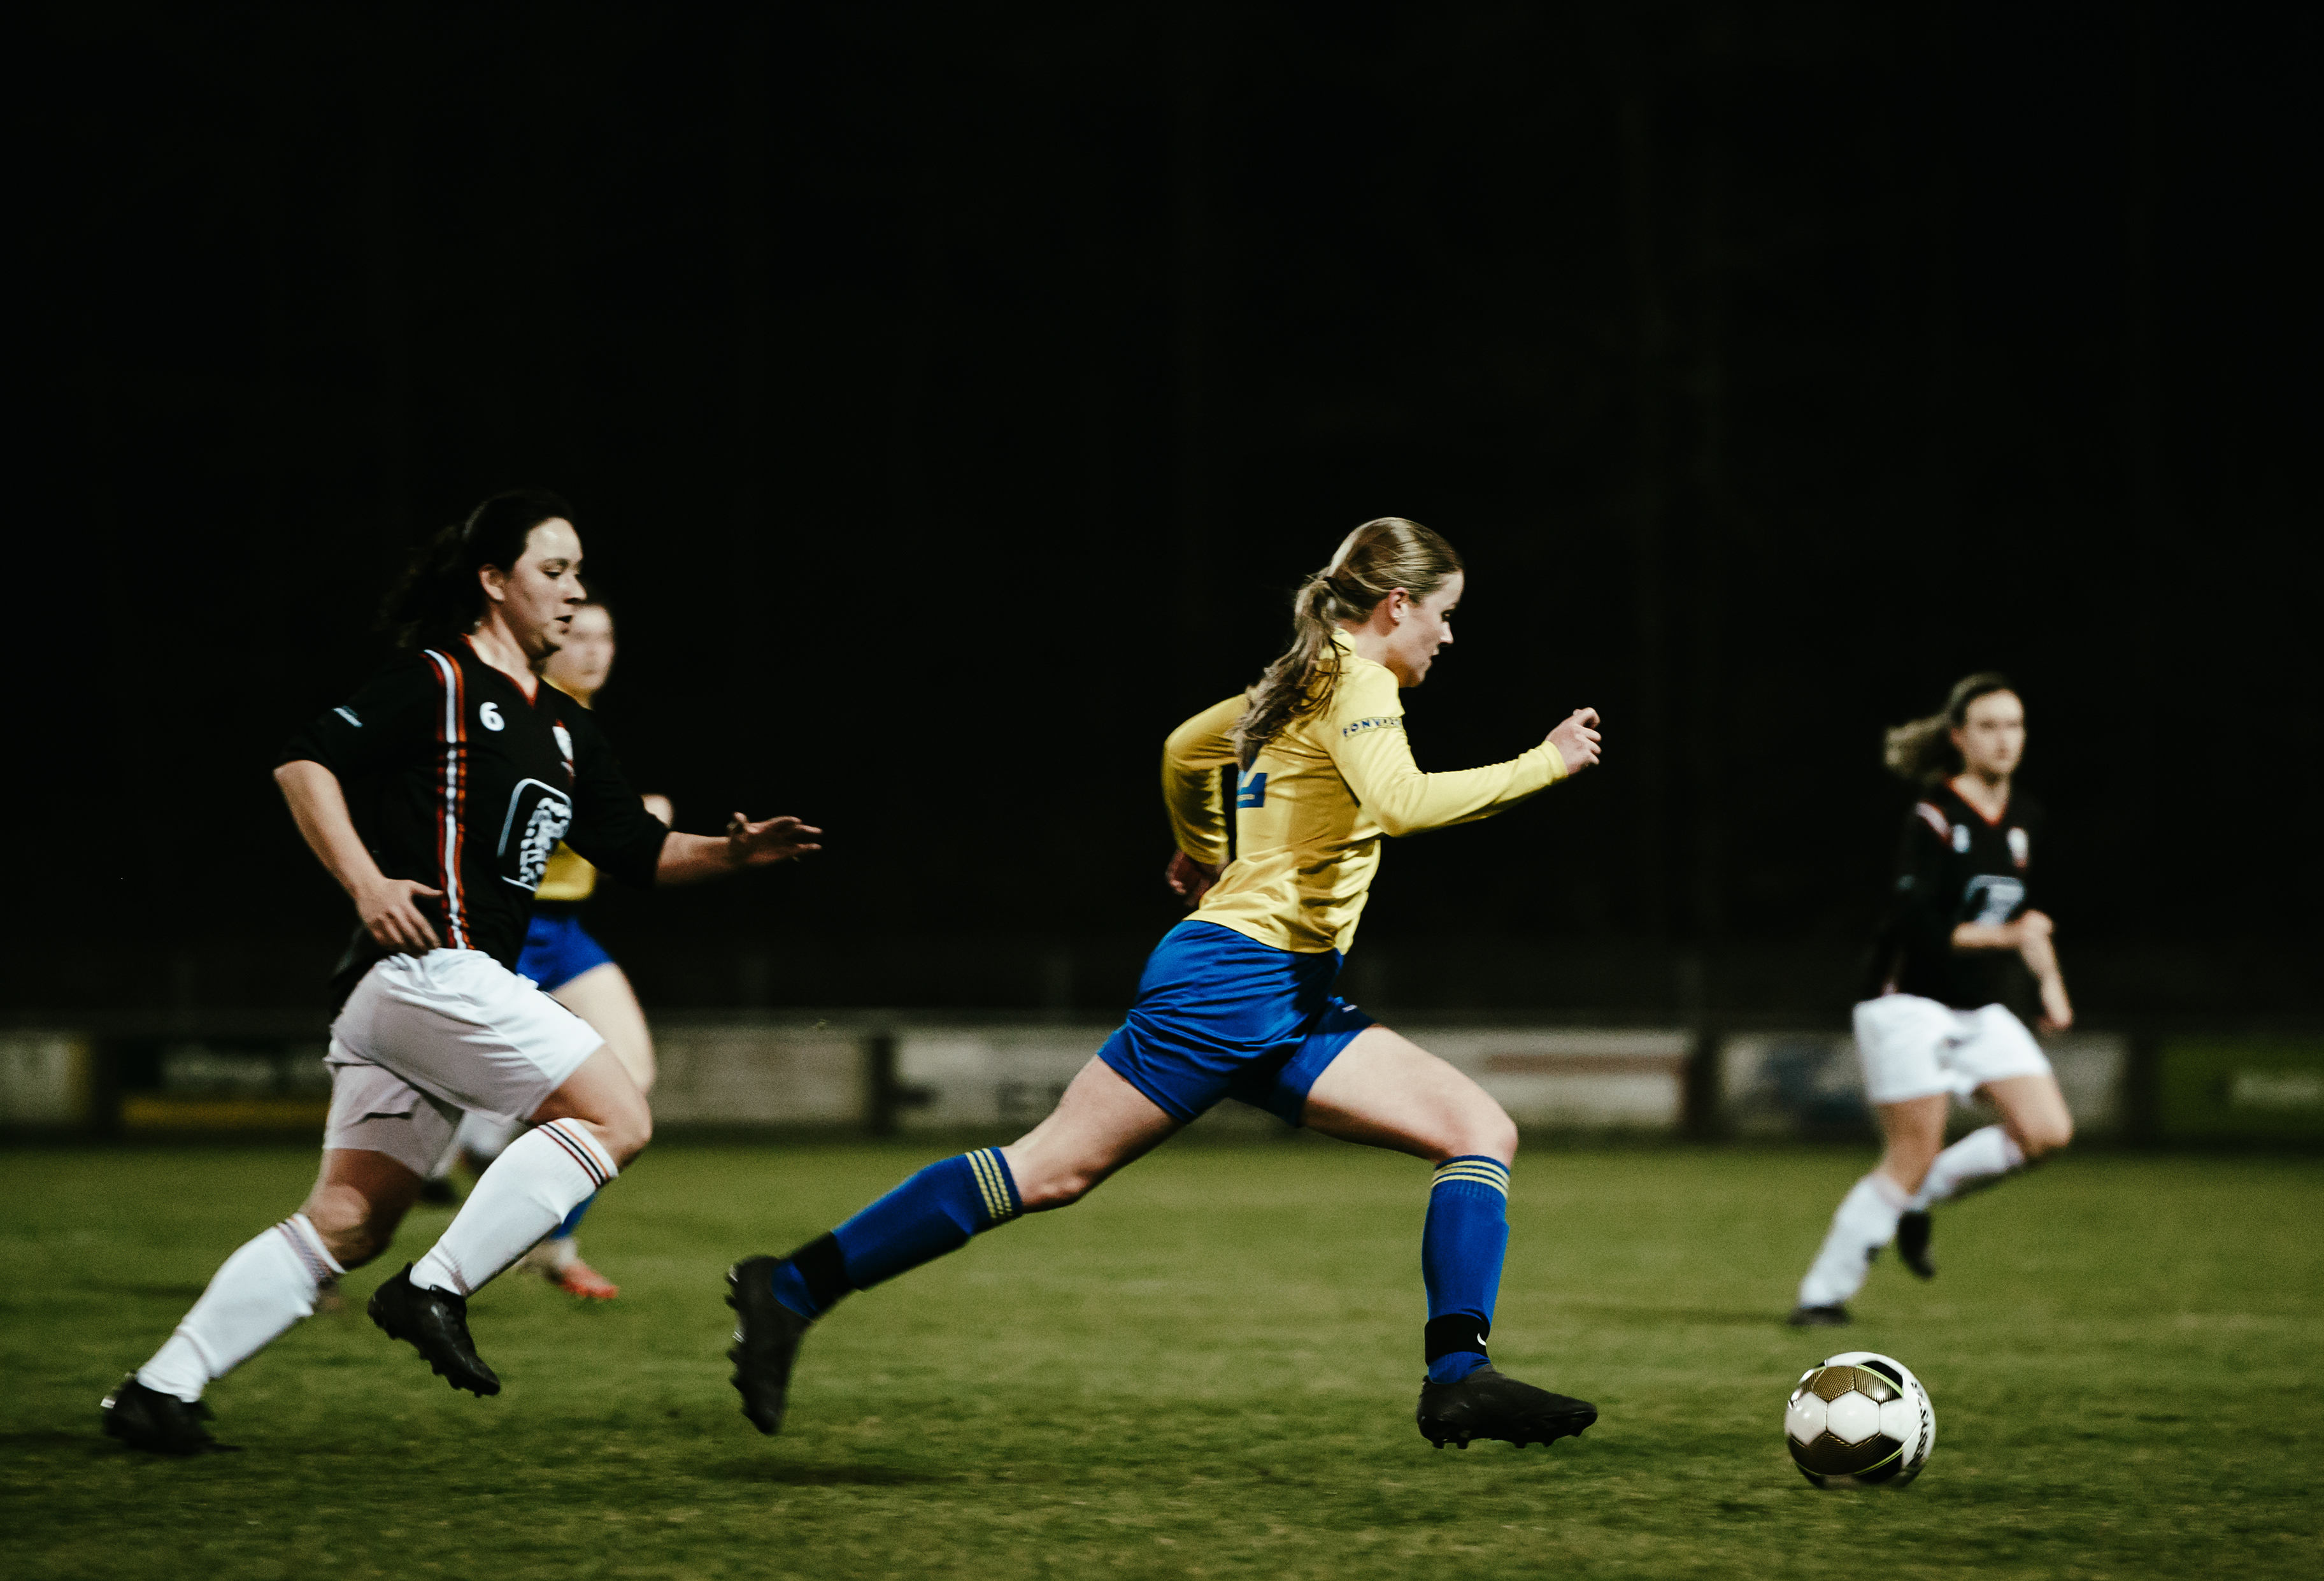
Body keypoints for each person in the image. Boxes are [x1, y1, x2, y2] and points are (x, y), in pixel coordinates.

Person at [724, 517, 1606, 1450]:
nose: (1449, 634)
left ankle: (1459, 1374)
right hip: (1233, 984)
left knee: (1476, 1129)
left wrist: (1204, 849)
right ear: (1397, 605)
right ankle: (792, 1285)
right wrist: (1545, 762)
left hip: (1284, 987)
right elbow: (1400, 802)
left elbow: (1187, 748)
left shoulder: (1301, 676)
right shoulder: (1359, 680)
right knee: (1048, 1168)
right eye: (1444, 612)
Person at [101, 491, 822, 1454]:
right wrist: (366, 882)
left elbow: (643, 851)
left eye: (579, 574)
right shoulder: (437, 680)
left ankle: (159, 1389)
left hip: (408, 999)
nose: (573, 592)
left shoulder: (564, 730)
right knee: (618, 1113)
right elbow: (304, 763)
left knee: (349, 1222)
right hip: (426, 967)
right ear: (492, 580)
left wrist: (732, 852)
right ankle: (434, 1288)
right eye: (553, 571)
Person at [1787, 673, 2076, 1327]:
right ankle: (1822, 1294)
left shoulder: (2026, 818)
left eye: (2014, 725)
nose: (2005, 739)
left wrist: (2051, 986)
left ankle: (1915, 1202)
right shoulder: (1934, 816)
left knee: (2046, 1131)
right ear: (1959, 737)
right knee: (1912, 1152)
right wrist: (2008, 937)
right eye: (1989, 726)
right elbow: (1920, 924)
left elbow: (2026, 919)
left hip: (1974, 1003)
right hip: (1904, 1000)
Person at [505, 599, 670, 1299]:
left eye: (607, 636)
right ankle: (321, 1255)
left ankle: (552, 1244)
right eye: (579, 634)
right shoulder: (524, 711)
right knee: (421, 1108)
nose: (595, 649)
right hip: (505, 925)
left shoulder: (583, 722)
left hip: (564, 930)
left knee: (630, 1077)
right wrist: (631, 820)